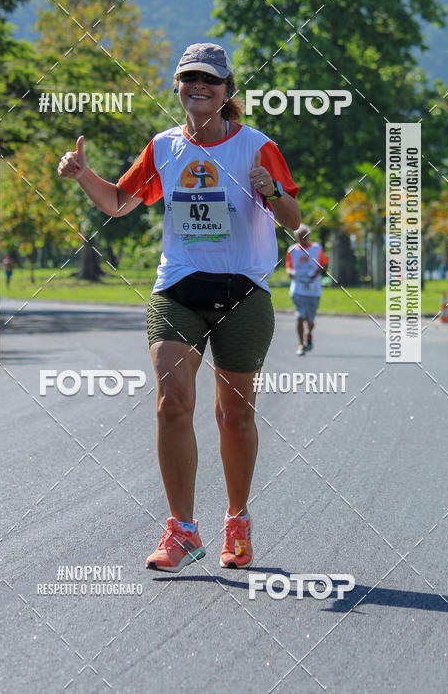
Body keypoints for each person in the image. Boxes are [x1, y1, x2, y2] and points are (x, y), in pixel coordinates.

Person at [58, 42, 300, 571]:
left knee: (233, 415)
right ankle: (182, 530)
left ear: (227, 91)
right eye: (190, 78)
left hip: (243, 292)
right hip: (178, 289)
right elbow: (120, 202)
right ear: (177, 87)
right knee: (172, 403)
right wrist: (83, 177)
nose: (199, 87)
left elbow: (294, 219)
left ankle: (237, 521)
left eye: (210, 80)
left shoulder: (258, 146)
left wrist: (272, 190)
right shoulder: (164, 147)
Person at [286, 224, 328, 356]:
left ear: (309, 236)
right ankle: (300, 344)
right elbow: (289, 266)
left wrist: (316, 274)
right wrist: (290, 273)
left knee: (310, 320)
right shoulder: (291, 250)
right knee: (299, 317)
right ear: (296, 237)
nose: (302, 238)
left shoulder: (317, 248)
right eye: (299, 236)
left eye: (305, 235)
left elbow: (323, 263)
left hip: (313, 290)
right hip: (298, 289)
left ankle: (308, 334)